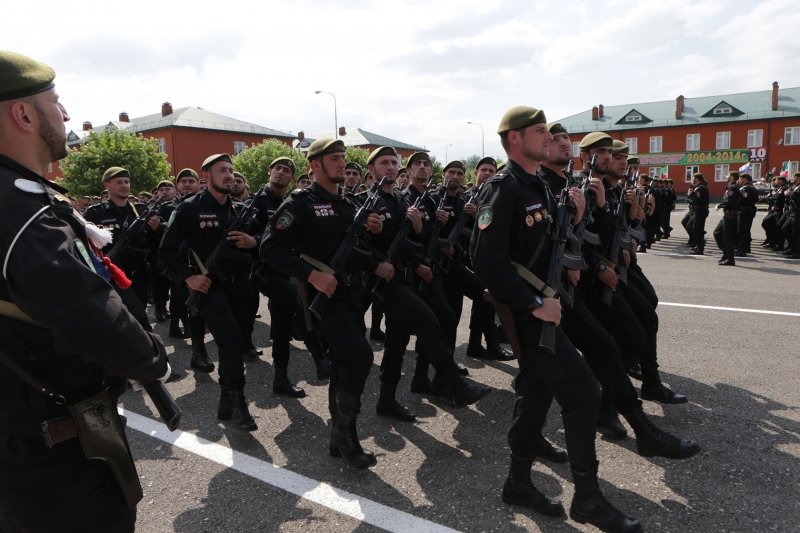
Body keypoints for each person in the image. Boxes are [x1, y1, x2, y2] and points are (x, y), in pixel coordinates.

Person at [0, 49, 171, 532]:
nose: (66, 114)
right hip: (51, 461)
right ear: (24, 115)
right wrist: (151, 359)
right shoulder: (20, 209)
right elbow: (87, 309)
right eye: (55, 102)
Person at [471, 106, 641, 532]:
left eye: (549, 131)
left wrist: (579, 218)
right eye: (540, 131)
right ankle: (587, 499)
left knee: (535, 393)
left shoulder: (537, 186)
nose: (549, 137)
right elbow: (486, 261)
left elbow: (549, 244)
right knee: (583, 393)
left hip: (548, 305)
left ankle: (517, 483)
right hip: (527, 313)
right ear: (514, 138)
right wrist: (532, 303)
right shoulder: (504, 188)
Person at [261, 138, 385, 470]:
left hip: (352, 295)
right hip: (324, 299)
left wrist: (373, 231)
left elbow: (352, 249)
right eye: (335, 158)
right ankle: (346, 433)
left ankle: (338, 437)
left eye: (343, 157)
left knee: (345, 364)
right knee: (360, 357)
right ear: (316, 165)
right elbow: (270, 248)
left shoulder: (347, 203)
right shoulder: (300, 203)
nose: (342, 163)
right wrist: (311, 275)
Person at [159, 153, 259, 431]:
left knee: (238, 341)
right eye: (221, 170)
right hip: (210, 286)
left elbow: (266, 241)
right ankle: (238, 403)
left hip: (241, 285)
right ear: (206, 175)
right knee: (230, 340)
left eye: (231, 170)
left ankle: (226, 401)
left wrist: (253, 241)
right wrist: (188, 277)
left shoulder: (240, 210)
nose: (228, 175)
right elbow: (166, 252)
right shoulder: (190, 208)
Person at [714, 172, 741, 266]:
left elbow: (730, 202)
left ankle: (730, 259)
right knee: (717, 233)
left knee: (727, 238)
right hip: (727, 215)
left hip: (730, 215)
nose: (726, 176)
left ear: (732, 177)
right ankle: (726, 254)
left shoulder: (733, 187)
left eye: (728, 175)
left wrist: (720, 205)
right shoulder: (730, 186)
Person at [736, 173, 758, 256]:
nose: (739, 181)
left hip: (744, 211)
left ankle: (741, 250)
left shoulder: (744, 188)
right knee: (746, 230)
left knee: (741, 231)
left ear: (744, 179)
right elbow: (756, 199)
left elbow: (743, 199)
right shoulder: (753, 188)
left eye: (740, 179)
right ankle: (747, 248)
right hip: (751, 210)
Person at [688, 173, 709, 255]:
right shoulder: (698, 187)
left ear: (697, 179)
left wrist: (691, 195)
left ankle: (700, 248)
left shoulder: (701, 188)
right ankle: (699, 246)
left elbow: (698, 200)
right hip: (699, 210)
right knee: (694, 228)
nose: (692, 180)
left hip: (700, 210)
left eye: (693, 178)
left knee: (697, 229)